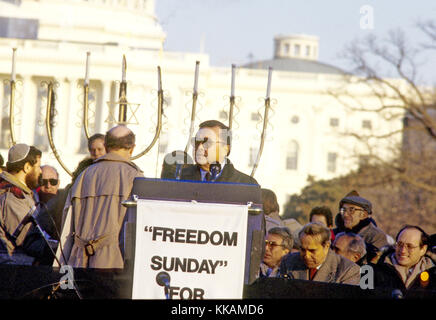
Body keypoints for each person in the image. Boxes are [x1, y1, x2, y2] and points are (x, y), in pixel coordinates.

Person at [59, 125, 144, 268]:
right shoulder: (135, 177)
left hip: (78, 261)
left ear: (105, 145)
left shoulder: (84, 175)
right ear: (132, 148)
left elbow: (67, 225)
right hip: (114, 265)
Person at [0, 144, 52, 265]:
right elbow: (28, 239)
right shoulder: (12, 197)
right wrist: (57, 248)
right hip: (14, 272)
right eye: (38, 166)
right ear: (27, 167)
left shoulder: (21, 193)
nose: (40, 171)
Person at [180, 120, 258, 185]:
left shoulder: (246, 184)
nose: (200, 147)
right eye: (196, 142)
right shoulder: (179, 178)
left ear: (225, 149)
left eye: (207, 142)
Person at [279, 222, 360, 285]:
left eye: (312, 251)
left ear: (327, 246)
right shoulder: (288, 262)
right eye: (303, 250)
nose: (307, 256)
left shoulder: (348, 271)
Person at [372, 225, 434, 292]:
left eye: (410, 246)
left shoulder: (433, 274)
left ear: (423, 249)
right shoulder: (374, 270)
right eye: (400, 244)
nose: (403, 251)